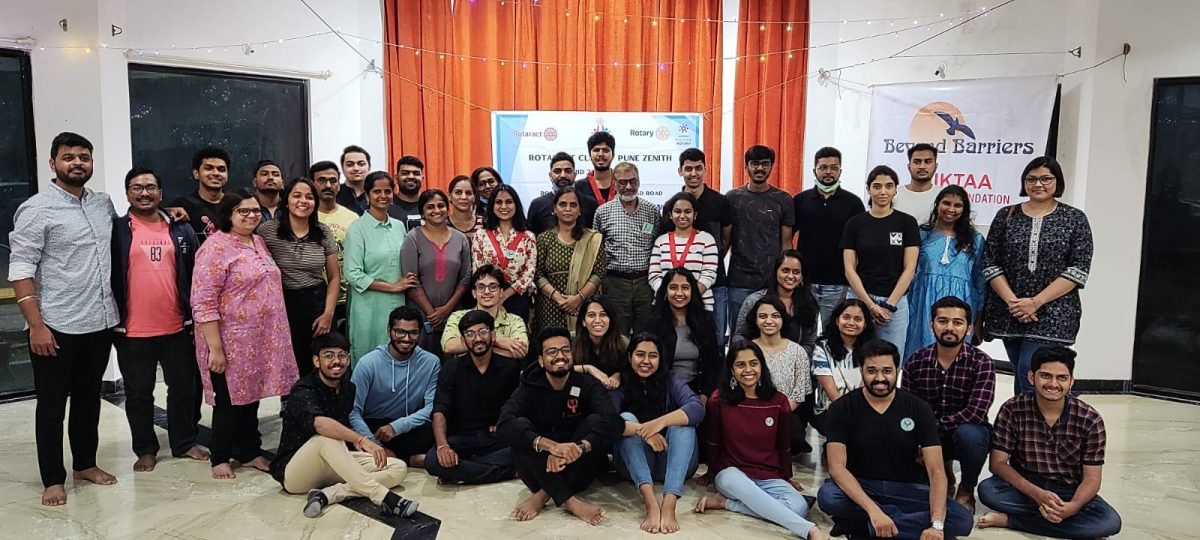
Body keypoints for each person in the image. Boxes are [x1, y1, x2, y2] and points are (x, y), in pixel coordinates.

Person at [10, 132, 120, 505]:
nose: (77, 163)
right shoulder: (36, 209)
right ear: (52, 163)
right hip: (55, 325)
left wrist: (171, 214)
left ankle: (85, 464)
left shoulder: (102, 204)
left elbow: (127, 233)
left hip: (100, 321)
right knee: (52, 406)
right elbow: (20, 270)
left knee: (89, 399)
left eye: (84, 157)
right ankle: (53, 478)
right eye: (68, 157)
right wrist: (36, 326)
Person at [816, 339, 974, 539]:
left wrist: (936, 524)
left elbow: (936, 471)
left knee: (962, 519)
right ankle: (896, 522)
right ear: (861, 370)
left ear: (897, 371)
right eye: (872, 371)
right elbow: (837, 467)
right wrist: (874, 511)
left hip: (907, 488)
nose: (880, 378)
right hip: (862, 485)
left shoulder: (918, 408)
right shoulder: (842, 408)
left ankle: (865, 528)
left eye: (887, 371)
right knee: (829, 497)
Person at [192, 188, 299, 479]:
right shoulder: (215, 248)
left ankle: (250, 451)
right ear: (228, 214)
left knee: (251, 397)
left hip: (260, 339)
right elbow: (203, 302)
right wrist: (215, 348)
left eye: (255, 211)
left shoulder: (258, 242)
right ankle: (220, 456)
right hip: (229, 340)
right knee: (228, 402)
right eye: (243, 211)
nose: (251, 216)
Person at [111, 167, 208, 472]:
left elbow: (196, 274)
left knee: (184, 389)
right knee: (139, 394)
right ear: (127, 193)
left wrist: (195, 317)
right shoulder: (116, 230)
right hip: (131, 330)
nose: (144, 193)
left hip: (177, 327)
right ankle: (145, 449)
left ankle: (184, 442)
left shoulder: (180, 228)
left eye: (151, 187)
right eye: (137, 188)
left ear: (161, 193)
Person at [977, 347, 1122, 538]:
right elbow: (997, 463)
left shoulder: (1090, 419)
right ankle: (1072, 526)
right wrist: (1037, 494)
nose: (1053, 384)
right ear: (1031, 377)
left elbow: (1092, 478)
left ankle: (1012, 521)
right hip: (1026, 486)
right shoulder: (1012, 409)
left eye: (1062, 378)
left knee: (1110, 522)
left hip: (1069, 489)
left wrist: (1073, 506)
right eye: (1045, 376)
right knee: (988, 490)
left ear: (1071, 381)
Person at [272, 332, 418, 519]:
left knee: (398, 468)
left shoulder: (348, 389)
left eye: (342, 355)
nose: (336, 361)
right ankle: (384, 497)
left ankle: (328, 494)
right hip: (296, 472)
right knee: (326, 438)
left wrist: (358, 443)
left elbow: (344, 423)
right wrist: (361, 439)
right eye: (328, 356)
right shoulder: (304, 389)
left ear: (348, 360)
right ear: (316, 361)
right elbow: (321, 425)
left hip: (332, 464)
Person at [693, 341, 828, 540]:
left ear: (762, 367)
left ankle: (726, 503)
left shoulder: (778, 401)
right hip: (731, 474)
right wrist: (711, 472)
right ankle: (808, 530)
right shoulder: (718, 399)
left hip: (768, 474)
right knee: (732, 480)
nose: (748, 370)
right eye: (740, 365)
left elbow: (783, 445)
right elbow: (714, 441)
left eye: (753, 363)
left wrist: (786, 476)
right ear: (731, 370)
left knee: (798, 507)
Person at [983, 156, 1093, 395]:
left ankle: (1043, 418)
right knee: (1023, 372)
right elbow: (990, 262)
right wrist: (1014, 303)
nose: (1038, 184)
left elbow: (1078, 269)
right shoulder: (1006, 215)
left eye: (1045, 179)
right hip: (1010, 310)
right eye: (1031, 179)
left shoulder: (1074, 218)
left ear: (1057, 181)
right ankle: (1023, 417)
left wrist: (1035, 302)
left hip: (1054, 311)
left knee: (1031, 371)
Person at [497, 326, 622, 525]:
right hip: (539, 466)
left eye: (565, 350)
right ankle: (570, 502)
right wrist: (550, 447)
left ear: (572, 355)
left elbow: (615, 422)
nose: (560, 356)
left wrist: (579, 448)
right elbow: (504, 424)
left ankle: (543, 495)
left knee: (595, 421)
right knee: (519, 427)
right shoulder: (529, 385)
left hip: (579, 467)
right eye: (552, 352)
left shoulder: (588, 384)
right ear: (541, 360)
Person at [902, 296, 996, 513]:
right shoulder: (915, 361)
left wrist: (932, 430)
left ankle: (966, 488)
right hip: (926, 436)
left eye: (957, 322)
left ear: (969, 328)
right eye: (942, 321)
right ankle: (941, 471)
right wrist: (914, 437)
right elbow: (907, 409)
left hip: (963, 433)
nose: (950, 328)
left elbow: (976, 412)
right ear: (931, 325)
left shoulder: (982, 363)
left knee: (971, 436)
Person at [611, 333, 704, 534]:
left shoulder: (671, 380)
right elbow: (607, 421)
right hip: (633, 465)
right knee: (625, 418)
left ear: (661, 358)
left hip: (672, 463)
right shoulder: (619, 384)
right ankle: (650, 502)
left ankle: (669, 503)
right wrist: (644, 432)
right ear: (630, 356)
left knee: (683, 424)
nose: (646, 361)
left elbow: (697, 408)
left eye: (653, 355)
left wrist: (659, 423)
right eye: (640, 354)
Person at [425, 311, 521, 485]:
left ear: (493, 335)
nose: (477, 338)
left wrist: (503, 423)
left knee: (522, 451)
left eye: (483, 332)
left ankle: (460, 471)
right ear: (463, 341)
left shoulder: (510, 367)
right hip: (462, 438)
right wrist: (443, 446)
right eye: (470, 334)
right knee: (432, 461)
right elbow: (439, 411)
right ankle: (503, 472)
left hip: (495, 437)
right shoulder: (451, 369)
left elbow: (516, 408)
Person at [258, 178, 340, 379]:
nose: (303, 201)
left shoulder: (323, 231)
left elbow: (334, 277)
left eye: (309, 197)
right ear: (286, 201)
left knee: (322, 359)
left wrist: (328, 314)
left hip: (317, 302)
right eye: (297, 196)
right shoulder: (267, 231)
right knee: (290, 361)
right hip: (283, 303)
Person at [841, 165, 920, 358]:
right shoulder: (855, 223)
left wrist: (889, 306)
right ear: (868, 189)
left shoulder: (907, 223)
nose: (883, 191)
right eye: (877, 186)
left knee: (890, 359)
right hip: (860, 298)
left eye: (888, 186)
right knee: (854, 357)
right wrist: (870, 305)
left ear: (895, 190)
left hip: (895, 303)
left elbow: (910, 268)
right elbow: (849, 269)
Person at [349, 306, 441, 467]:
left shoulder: (431, 362)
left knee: (438, 426)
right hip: (375, 426)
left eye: (413, 333)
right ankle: (408, 459)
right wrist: (375, 445)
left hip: (408, 425)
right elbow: (353, 411)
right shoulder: (368, 363)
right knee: (349, 434)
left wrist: (396, 427)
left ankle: (400, 458)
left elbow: (430, 408)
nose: (406, 339)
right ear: (389, 331)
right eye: (400, 332)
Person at [343, 171, 418, 362]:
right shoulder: (357, 229)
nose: (383, 196)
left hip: (397, 304)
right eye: (377, 191)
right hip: (368, 307)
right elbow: (352, 273)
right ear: (367, 196)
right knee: (368, 358)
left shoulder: (398, 226)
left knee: (398, 355)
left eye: (387, 191)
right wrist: (392, 287)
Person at [904, 185, 986, 359]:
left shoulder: (975, 240)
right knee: (920, 356)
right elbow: (908, 270)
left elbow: (980, 280)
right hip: (922, 303)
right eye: (946, 203)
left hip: (961, 304)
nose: (951, 209)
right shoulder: (921, 234)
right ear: (937, 204)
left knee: (955, 357)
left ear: (964, 209)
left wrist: (979, 319)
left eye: (957, 205)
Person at [726, 145, 795, 340]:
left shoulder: (784, 199)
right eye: (755, 164)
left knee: (772, 334)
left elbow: (786, 244)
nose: (760, 168)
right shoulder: (732, 198)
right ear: (746, 167)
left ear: (772, 167)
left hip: (771, 281)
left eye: (765, 164)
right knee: (739, 335)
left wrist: (786, 279)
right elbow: (726, 240)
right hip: (738, 279)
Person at [793, 146, 866, 327]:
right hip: (805, 281)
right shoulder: (800, 200)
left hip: (838, 282)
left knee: (832, 330)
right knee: (804, 331)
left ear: (840, 171)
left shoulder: (853, 203)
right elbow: (787, 238)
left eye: (834, 168)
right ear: (814, 171)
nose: (828, 172)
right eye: (823, 167)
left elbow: (859, 244)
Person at [593, 161, 661, 335]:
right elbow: (596, 251)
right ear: (614, 184)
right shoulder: (602, 212)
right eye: (622, 182)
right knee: (617, 335)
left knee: (646, 333)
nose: (629, 187)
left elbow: (657, 245)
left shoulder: (651, 211)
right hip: (615, 284)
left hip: (645, 283)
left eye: (633, 181)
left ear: (639, 182)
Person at [401, 189, 472, 356]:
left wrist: (447, 309)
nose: (436, 210)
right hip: (421, 313)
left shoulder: (461, 239)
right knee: (422, 358)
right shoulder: (412, 238)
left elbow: (465, 278)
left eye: (441, 206)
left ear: (448, 208)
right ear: (422, 212)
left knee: (452, 359)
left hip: (453, 312)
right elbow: (411, 280)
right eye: (430, 207)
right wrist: (432, 313)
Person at [678, 147, 734, 346]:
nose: (693, 173)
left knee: (716, 340)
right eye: (688, 169)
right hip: (682, 287)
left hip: (716, 283)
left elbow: (726, 239)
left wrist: (711, 262)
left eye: (698, 168)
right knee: (684, 340)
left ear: (705, 169)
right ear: (680, 171)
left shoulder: (721, 202)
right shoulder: (674, 204)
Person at [744, 296, 813, 455]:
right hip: (749, 410)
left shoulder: (798, 352)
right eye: (763, 316)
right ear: (755, 320)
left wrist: (775, 412)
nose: (769, 321)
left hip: (784, 411)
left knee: (795, 439)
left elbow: (798, 393)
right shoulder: (746, 350)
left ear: (783, 319)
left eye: (775, 316)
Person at [638, 269, 722, 399]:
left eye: (685, 288)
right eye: (673, 287)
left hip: (696, 391)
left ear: (692, 292)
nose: (679, 293)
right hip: (660, 392)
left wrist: (705, 394)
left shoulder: (704, 321)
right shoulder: (652, 323)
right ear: (665, 292)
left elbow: (713, 364)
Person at [534, 186, 605, 335]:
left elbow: (599, 273)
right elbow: (538, 274)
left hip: (582, 305)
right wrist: (558, 298)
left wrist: (578, 298)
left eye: (573, 205)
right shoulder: (544, 239)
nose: (568, 209)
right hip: (550, 305)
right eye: (562, 204)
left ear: (579, 210)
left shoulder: (592, 239)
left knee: (581, 343)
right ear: (554, 209)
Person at [810, 298, 876, 435]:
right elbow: (830, 390)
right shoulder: (822, 348)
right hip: (830, 409)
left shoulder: (873, 350)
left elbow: (867, 385)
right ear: (836, 320)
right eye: (846, 317)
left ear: (865, 324)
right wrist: (848, 414)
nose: (851, 323)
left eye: (858, 319)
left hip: (864, 409)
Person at [733, 249, 820, 353]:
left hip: (794, 359)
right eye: (785, 271)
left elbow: (809, 343)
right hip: (758, 358)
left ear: (802, 277)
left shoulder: (809, 304)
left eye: (796, 272)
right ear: (775, 272)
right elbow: (740, 336)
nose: (791, 276)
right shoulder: (754, 300)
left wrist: (791, 357)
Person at [472, 184, 537, 320]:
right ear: (492, 206)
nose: (504, 206)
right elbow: (478, 269)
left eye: (508, 202)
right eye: (498, 202)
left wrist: (505, 295)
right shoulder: (480, 235)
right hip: (488, 296)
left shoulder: (528, 236)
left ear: (516, 205)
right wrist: (494, 294)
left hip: (517, 298)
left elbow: (529, 272)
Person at [649, 192, 719, 310]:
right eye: (677, 211)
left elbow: (709, 274)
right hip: (665, 305)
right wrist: (669, 296)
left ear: (695, 215)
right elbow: (654, 275)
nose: (682, 216)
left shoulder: (707, 239)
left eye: (687, 211)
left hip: (699, 305)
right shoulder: (661, 241)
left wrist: (690, 297)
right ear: (670, 215)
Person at [442, 266, 530, 359]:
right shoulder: (458, 317)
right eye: (481, 287)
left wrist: (472, 350)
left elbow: (520, 351)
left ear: (501, 292)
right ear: (474, 293)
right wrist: (497, 341)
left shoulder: (515, 321)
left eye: (493, 287)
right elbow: (449, 346)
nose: (487, 291)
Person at [312, 160, 359, 333]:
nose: (328, 185)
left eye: (333, 181)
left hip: (350, 297)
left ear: (339, 185)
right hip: (317, 297)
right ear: (312, 184)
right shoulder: (306, 217)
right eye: (321, 180)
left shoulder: (353, 218)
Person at [168, 146, 230, 244]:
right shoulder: (181, 205)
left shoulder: (237, 204)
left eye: (221, 169)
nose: (216, 173)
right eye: (208, 168)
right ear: (196, 173)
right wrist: (168, 211)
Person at [572, 295, 627, 389]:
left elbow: (631, 369)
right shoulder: (570, 341)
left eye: (603, 315)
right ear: (583, 321)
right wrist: (588, 368)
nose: (597, 320)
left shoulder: (623, 343)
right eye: (591, 315)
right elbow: (556, 368)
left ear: (611, 319)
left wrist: (619, 375)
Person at [527, 151, 577, 234]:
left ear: (575, 175)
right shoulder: (537, 204)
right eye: (557, 171)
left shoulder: (588, 202)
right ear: (550, 175)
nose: (563, 175)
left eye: (568, 171)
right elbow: (530, 237)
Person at [575, 131, 617, 228]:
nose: (601, 154)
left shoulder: (623, 185)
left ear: (613, 154)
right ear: (590, 155)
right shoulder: (578, 188)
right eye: (596, 150)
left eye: (606, 150)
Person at [893, 143, 941, 220]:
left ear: (936, 166)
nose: (922, 166)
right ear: (909, 167)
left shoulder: (943, 195)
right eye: (917, 162)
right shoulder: (893, 195)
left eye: (928, 162)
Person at [391, 155, 424, 231]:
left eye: (416, 173)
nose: (411, 177)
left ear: (422, 179)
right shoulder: (386, 205)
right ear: (396, 178)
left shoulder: (431, 205)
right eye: (405, 173)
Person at [336, 145, 371, 214]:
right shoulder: (335, 194)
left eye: (361, 164)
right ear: (342, 168)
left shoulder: (377, 194)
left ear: (369, 167)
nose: (356, 168)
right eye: (350, 165)